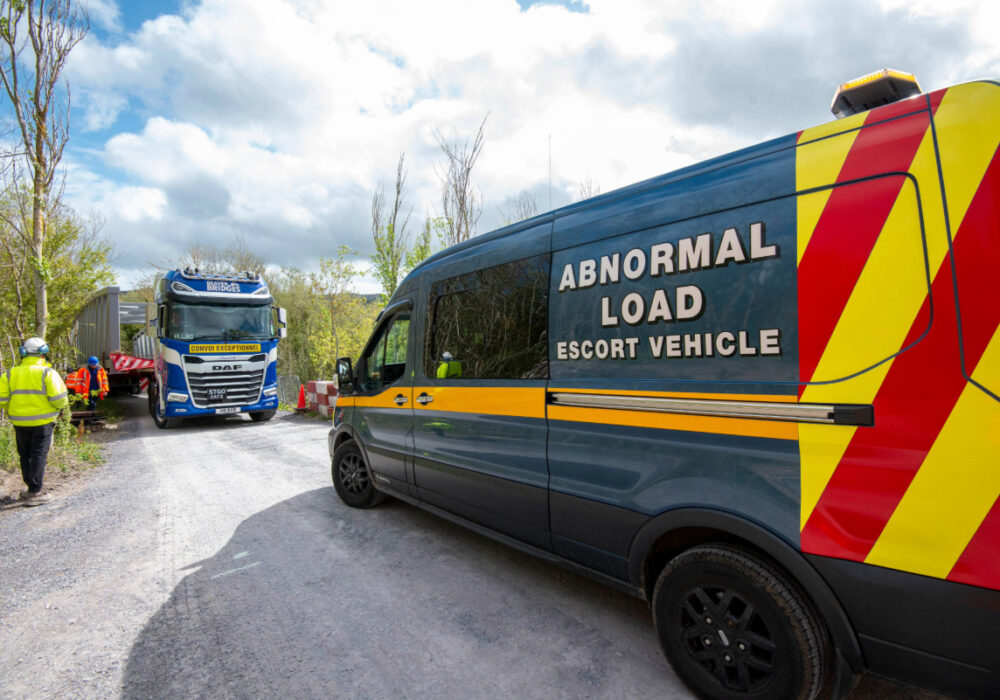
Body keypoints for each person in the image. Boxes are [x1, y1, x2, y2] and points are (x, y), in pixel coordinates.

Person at [0, 337, 68, 506]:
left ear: (23, 353)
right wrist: (55, 409)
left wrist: (14, 409)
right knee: (38, 454)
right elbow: (60, 399)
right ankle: (35, 493)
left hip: (19, 422)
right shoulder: (47, 373)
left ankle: (30, 487)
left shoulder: (10, 374)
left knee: (25, 454)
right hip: (43, 421)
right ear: (43, 354)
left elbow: (2, 400)